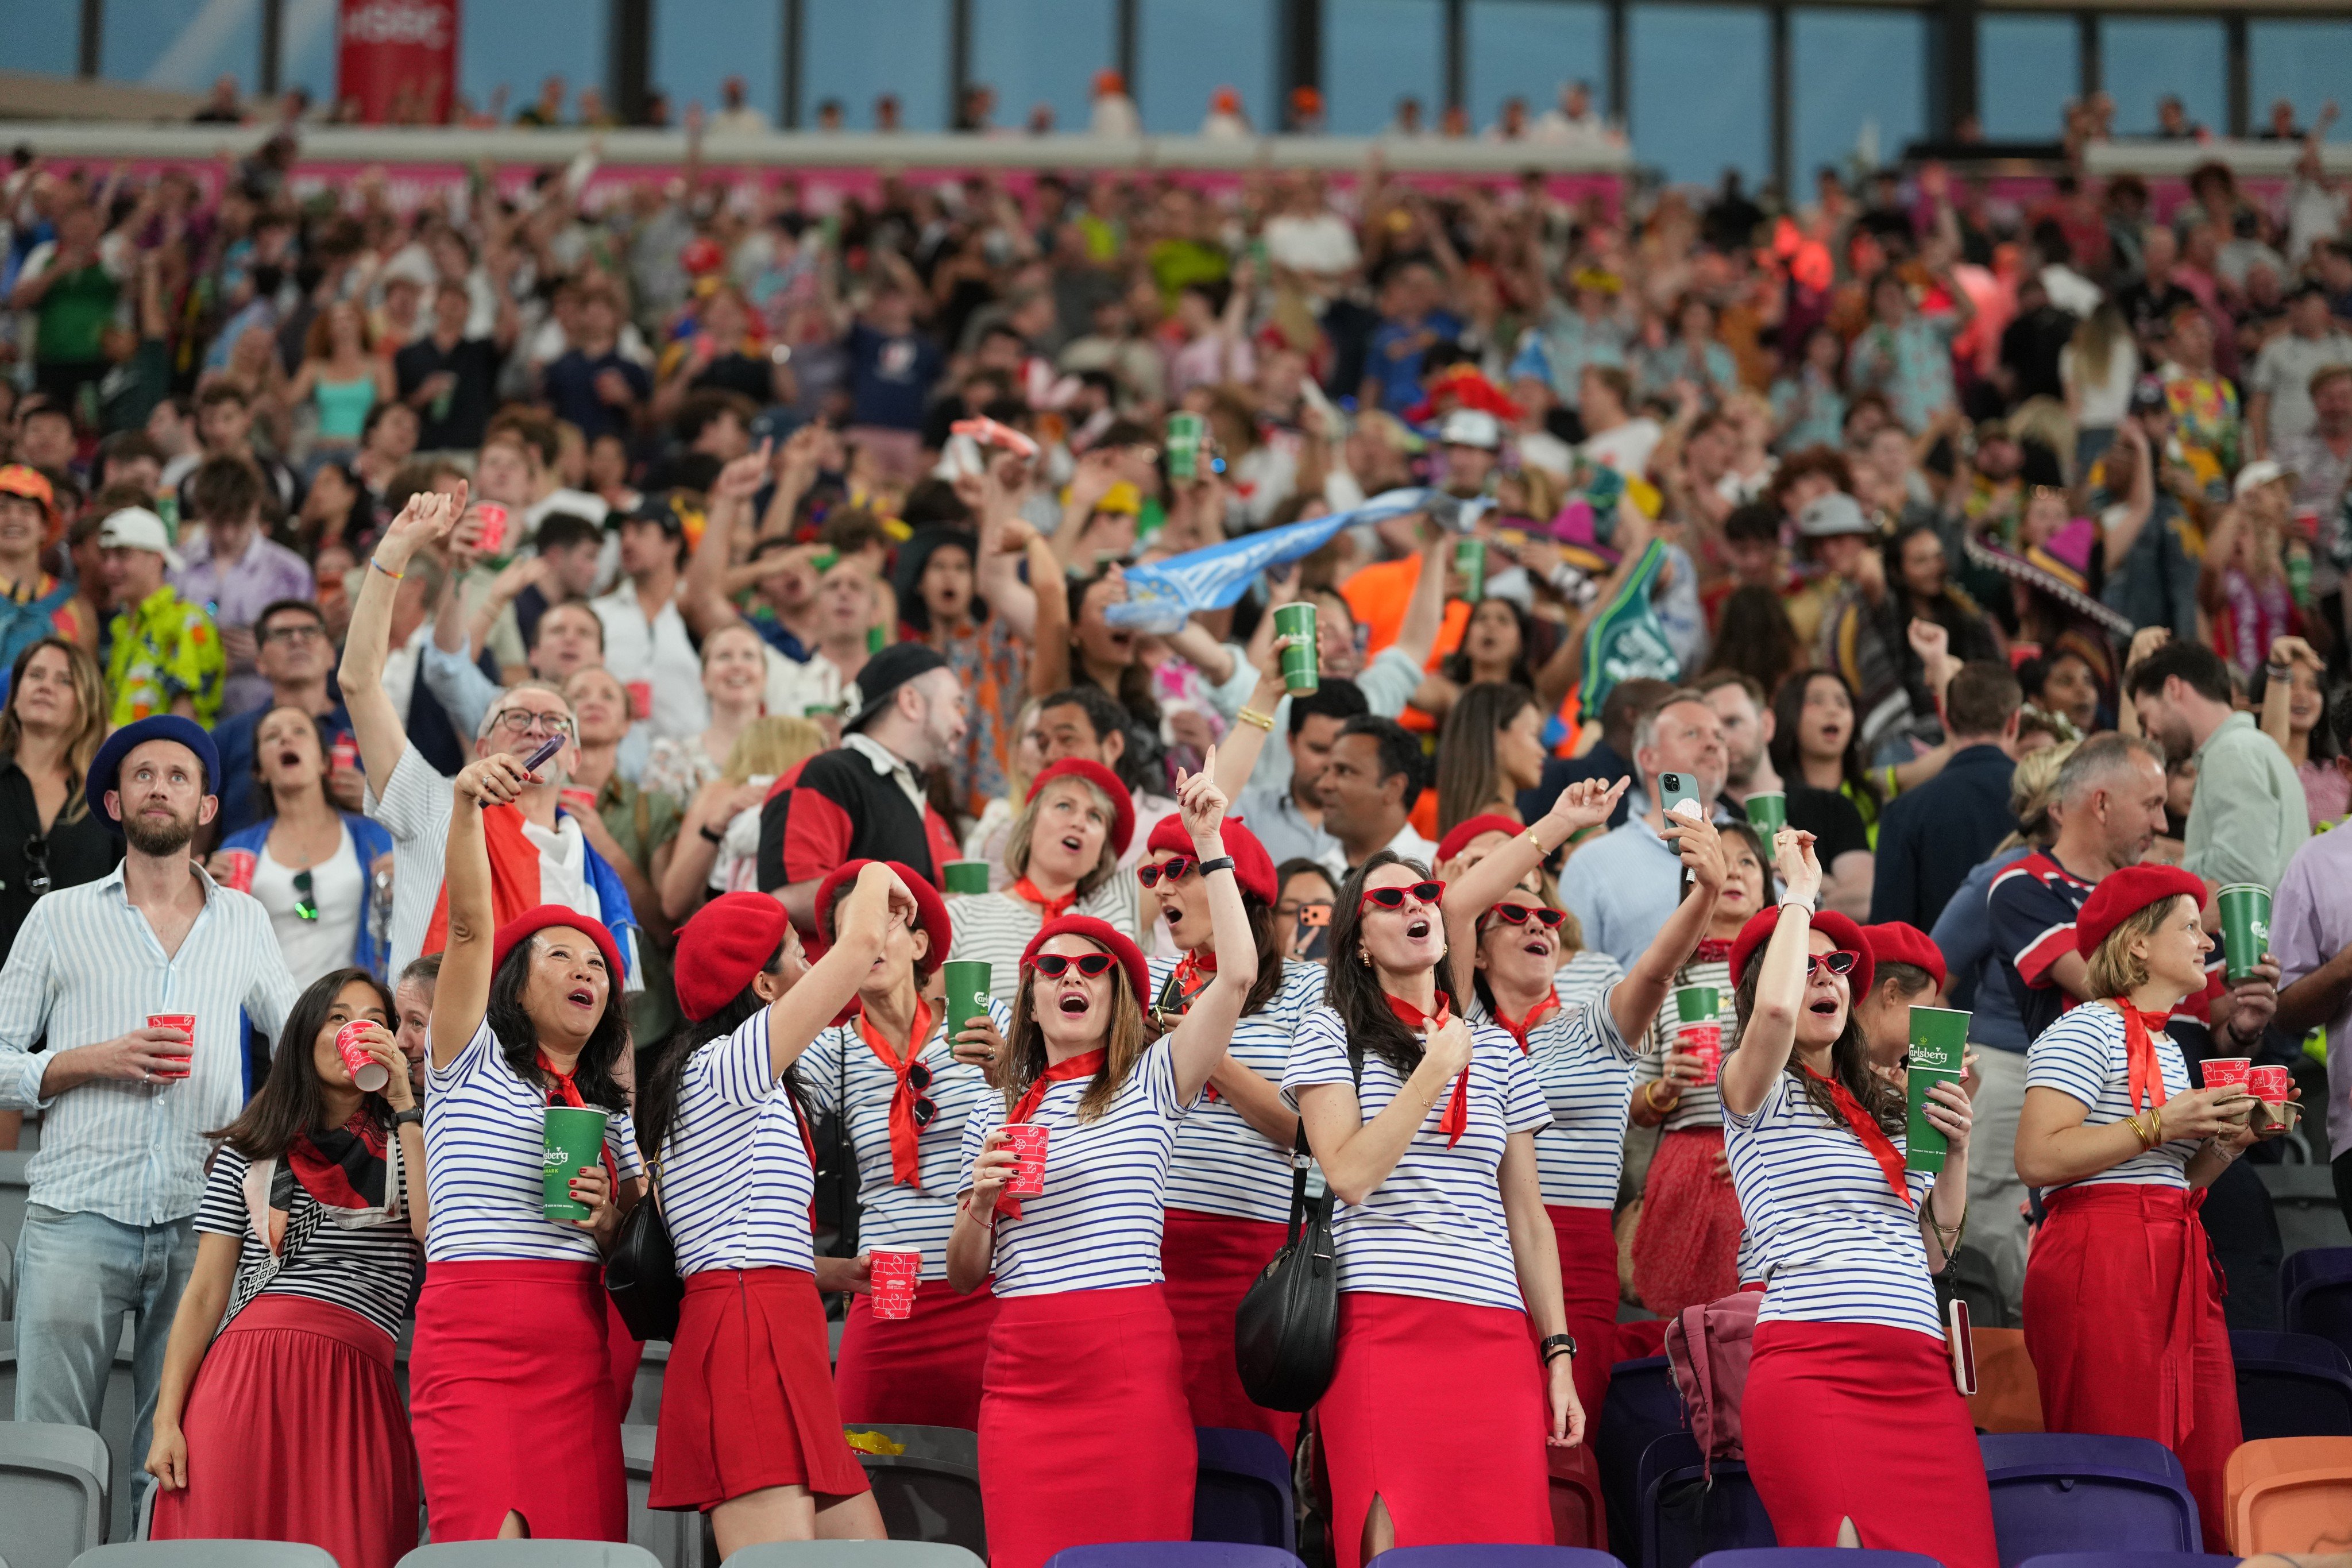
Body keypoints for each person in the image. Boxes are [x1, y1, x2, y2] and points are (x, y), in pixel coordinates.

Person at [946, 758, 1256, 1568]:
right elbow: (961, 1274)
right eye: (1052, 967)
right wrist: (976, 1205)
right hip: (1019, 1379)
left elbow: (1240, 974)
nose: (1071, 976)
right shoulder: (995, 1102)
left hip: (1124, 1372)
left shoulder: (1155, 1078)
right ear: (1031, 994)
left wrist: (1207, 840)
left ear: (1118, 994)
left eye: (1093, 967)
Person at [0, 715, 298, 1497]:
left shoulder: (245, 920)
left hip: (204, 1223)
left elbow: (299, 1045)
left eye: (178, 775)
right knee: (48, 1453)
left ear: (205, 806)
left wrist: (258, 1146)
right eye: (142, 775)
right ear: (113, 800)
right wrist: (90, 1061)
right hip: (75, 1214)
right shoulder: (57, 917)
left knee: (170, 1467)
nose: (159, 786)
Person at [1285, 849, 1582, 1567]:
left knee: (1505, 1543)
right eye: (1389, 900)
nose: (1415, 906)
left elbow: (1529, 1221)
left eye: (1424, 893)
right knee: (1397, 1542)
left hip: (1494, 1334)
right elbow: (1351, 1175)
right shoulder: (1332, 1033)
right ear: (1357, 939)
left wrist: (1559, 1354)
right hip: (1381, 1326)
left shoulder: (1500, 1054)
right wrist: (1433, 1070)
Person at [1718, 835, 1995, 1565]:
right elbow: (1775, 1019)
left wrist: (1957, 1151)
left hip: (1918, 1373)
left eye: (1839, 966)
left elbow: (1937, 1252)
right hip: (1815, 1370)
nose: (1827, 977)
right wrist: (1799, 895)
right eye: (1807, 964)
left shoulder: (1890, 1107)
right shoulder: (1756, 1086)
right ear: (1760, 990)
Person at [412, 745, 647, 1542]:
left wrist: (608, 1220)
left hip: (577, 1353)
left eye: (598, 965)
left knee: (578, 1552)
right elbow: (472, 927)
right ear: (513, 981)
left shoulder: (611, 1110)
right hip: (469, 1339)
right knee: (485, 1547)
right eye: (560, 954)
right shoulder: (464, 1055)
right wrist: (466, 810)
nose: (586, 969)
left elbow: (634, 1241)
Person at [1445, 776, 1724, 1426]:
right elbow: (1455, 908)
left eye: (1548, 917)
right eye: (1514, 915)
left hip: (1578, 1253)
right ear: (1478, 954)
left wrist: (1706, 891)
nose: (1538, 923)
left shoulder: (1595, 1023)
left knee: (1572, 1437)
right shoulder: (1460, 1026)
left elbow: (1655, 968)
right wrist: (1559, 823)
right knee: (1495, 1430)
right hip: (1481, 1248)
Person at [638, 878, 902, 1552]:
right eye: (797, 955)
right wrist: (873, 877)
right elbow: (862, 944)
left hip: (780, 1321)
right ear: (762, 988)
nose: (814, 966)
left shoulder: (740, 1079)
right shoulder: (723, 1066)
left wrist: (836, 1271)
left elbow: (736, 1230)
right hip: (747, 1332)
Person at [2014, 864, 2273, 1552]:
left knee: (2210, 1458)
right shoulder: (2085, 1029)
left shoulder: (2163, 1043)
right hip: (2101, 1254)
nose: (2206, 944)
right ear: (2136, 945)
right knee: (2119, 1463)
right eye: (2189, 926)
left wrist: (2229, 1147)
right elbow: (2037, 1160)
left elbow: (2170, 1181)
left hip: (2172, 1249)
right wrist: (2163, 1123)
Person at [145, 969, 423, 1568]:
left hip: (353, 1388)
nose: (359, 1031)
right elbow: (203, 1294)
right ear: (305, 1035)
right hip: (240, 1381)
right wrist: (167, 1419)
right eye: (339, 1018)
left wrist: (405, 1105)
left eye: (376, 1021)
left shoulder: (416, 1136)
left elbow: (435, 1234)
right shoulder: (253, 1144)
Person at [342, 487, 643, 985]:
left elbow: (616, 1030)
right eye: (516, 718)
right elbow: (359, 683)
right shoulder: (435, 803)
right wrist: (394, 553)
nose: (536, 730)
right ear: (482, 748)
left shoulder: (601, 880)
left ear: (574, 756)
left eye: (554, 724)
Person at [799, 864, 1011, 1432]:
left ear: (920, 943)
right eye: (855, 931)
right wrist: (821, 1266)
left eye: (885, 924)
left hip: (986, 1273)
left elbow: (1056, 1114)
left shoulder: (983, 1022)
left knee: (981, 1460)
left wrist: (1008, 1069)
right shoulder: (831, 1051)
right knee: (871, 1453)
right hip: (892, 1276)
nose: (871, 940)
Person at [1137, 812, 1322, 1446]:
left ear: (1234, 885)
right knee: (1156, 1447)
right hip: (1146, 1253)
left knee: (1247, 1454)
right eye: (1152, 872)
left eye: (1178, 869)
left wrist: (1204, 1048)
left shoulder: (1309, 991)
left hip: (1252, 1258)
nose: (1161, 887)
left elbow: (1311, 1135)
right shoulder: (1147, 987)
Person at [1629, 820, 1772, 1317]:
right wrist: (1663, 1089)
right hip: (1684, 1162)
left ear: (1765, 889)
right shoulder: (1663, 976)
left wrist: (1764, 1148)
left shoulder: (1789, 972)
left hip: (1769, 1161)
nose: (1732, 871)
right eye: (1720, 860)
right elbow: (1635, 1106)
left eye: (1747, 862)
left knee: (1764, 1321)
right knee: (1679, 1330)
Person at [758, 642, 968, 934]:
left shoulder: (926, 807)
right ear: (911, 702)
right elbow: (789, 897)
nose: (963, 726)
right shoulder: (825, 777)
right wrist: (937, 908)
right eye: (956, 705)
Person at [217, 706, 395, 986]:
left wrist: (406, 883)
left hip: (353, 1019)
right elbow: (220, 945)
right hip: (269, 1026)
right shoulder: (238, 849)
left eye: (299, 732)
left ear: (325, 762)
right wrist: (204, 892)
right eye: (272, 736)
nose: (286, 740)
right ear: (259, 771)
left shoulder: (374, 837)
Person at [943, 757, 1140, 1007]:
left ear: (1102, 853)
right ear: (1029, 825)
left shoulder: (1111, 915)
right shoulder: (963, 915)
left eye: (1095, 817)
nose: (1079, 823)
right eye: (1064, 806)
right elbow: (933, 1019)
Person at [1562, 688, 1732, 969]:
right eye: (1692, 734)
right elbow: (1573, 979)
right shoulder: (1591, 863)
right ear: (1648, 758)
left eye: (1719, 736)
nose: (1714, 745)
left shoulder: (1755, 845)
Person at [2127, 635, 2309, 892]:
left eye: (2145, 719)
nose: (2149, 735)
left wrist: (2168, 870)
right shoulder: (2248, 747)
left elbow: (2242, 874)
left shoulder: (2232, 752)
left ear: (2173, 689)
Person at [1868, 662, 2022, 927]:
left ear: (1946, 721)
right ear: (2013, 722)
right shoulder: (2051, 803)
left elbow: (1889, 933)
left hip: (1937, 967)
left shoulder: (1904, 812)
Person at [172, 455, 317, 719]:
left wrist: (269, 646)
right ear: (202, 512)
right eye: (217, 522)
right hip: (192, 710)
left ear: (256, 508)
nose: (227, 534)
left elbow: (313, 647)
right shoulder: (178, 566)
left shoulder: (290, 572)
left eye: (237, 522)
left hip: (264, 711)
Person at [211, 598, 353, 837]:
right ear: (260, 663)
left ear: (332, 655)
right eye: (281, 634)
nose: (297, 640)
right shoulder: (227, 738)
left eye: (310, 631)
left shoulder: (367, 728)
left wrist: (374, 802)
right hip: (246, 871)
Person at [595, 493, 708, 744]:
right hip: (615, 754)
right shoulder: (598, 614)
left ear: (673, 544)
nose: (627, 542)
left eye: (641, 532)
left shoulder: (698, 613)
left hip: (688, 758)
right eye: (623, 534)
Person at [101, 506, 226, 725]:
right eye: (106, 556)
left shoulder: (187, 620)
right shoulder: (123, 625)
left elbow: (184, 723)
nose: (110, 567)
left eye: (122, 555)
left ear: (157, 558)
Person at [1235, 680, 1369, 870]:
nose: (1330, 764)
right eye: (1319, 750)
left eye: (1343, 753)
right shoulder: (1246, 815)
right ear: (1291, 741)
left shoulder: (1375, 823)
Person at [641, 621, 770, 804]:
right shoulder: (671, 759)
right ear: (704, 679)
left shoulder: (793, 753)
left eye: (748, 656)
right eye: (724, 656)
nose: (737, 665)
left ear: (765, 677)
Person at [1316, 715, 1438, 877]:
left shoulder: (1439, 873)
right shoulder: (1315, 875)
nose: (1323, 785)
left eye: (1344, 771)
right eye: (1326, 771)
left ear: (1394, 789)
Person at [1434, 682, 1549, 839]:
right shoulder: (1502, 820)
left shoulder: (1471, 814)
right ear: (1497, 739)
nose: (1542, 752)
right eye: (1534, 735)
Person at [2257, 635, 2343, 829]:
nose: (2302, 694)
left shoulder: (2341, 774)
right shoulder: (2255, 771)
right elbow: (2269, 759)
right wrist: (2279, 667)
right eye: (2290, 684)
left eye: (2312, 686)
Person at [283, 300, 393, 454]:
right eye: (336, 320)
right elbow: (287, 401)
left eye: (349, 318)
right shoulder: (314, 368)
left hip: (364, 450)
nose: (344, 324)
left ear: (361, 324)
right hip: (324, 448)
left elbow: (388, 411)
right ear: (328, 329)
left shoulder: (380, 366)